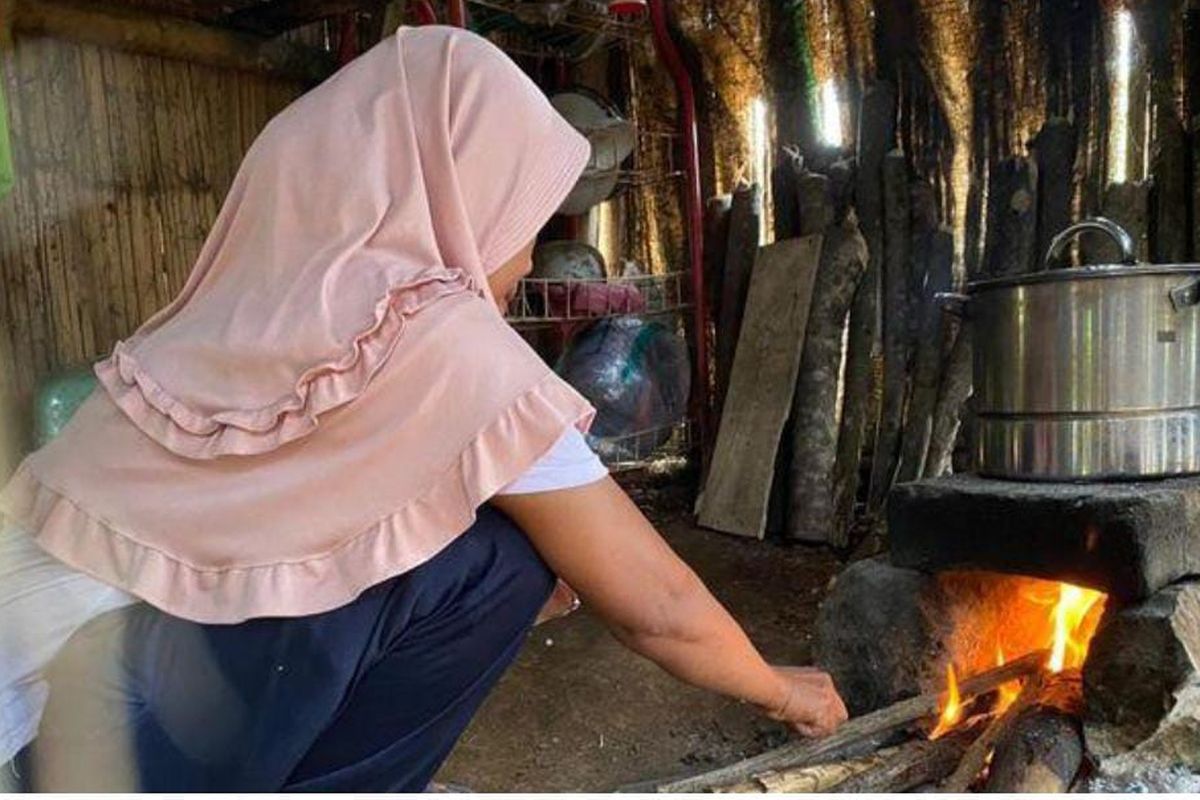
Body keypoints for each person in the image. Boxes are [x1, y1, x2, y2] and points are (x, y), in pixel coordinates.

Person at [0, 25, 846, 792]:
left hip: (44, 722)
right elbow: (654, 604)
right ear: (457, 189)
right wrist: (783, 692)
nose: (521, 256)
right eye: (526, 216)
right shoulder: (440, 343)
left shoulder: (237, 310)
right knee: (503, 561)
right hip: (83, 757)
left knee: (447, 541)